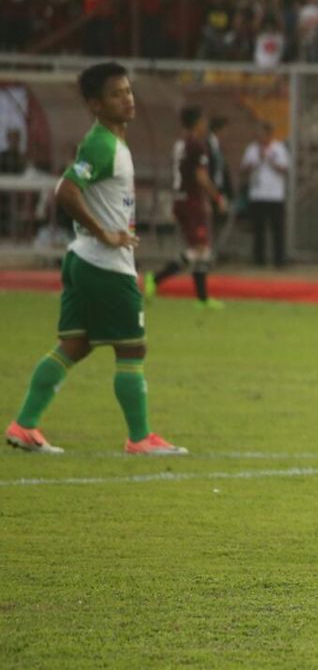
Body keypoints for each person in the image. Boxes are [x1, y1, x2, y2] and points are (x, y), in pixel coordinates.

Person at [5, 62, 187, 455]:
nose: (127, 98)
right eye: (116, 94)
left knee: (74, 345)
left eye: (128, 90)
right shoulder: (102, 144)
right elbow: (66, 191)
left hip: (83, 258)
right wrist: (104, 231)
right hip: (104, 263)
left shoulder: (111, 143)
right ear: (95, 104)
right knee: (132, 348)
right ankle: (140, 438)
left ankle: (24, 425)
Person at [145, 106, 228, 308]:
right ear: (197, 122)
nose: (206, 124)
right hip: (192, 201)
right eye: (203, 120)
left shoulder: (180, 144)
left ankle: (202, 299)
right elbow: (201, 176)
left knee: (203, 249)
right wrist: (217, 198)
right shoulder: (197, 145)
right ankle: (155, 279)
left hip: (180, 199)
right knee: (198, 250)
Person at [241, 122, 290, 267]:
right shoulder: (252, 149)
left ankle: (279, 260)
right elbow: (244, 168)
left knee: (278, 229)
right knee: (258, 229)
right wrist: (256, 161)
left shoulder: (279, 148)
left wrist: (270, 160)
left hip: (275, 195)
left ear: (269, 134)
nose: (261, 136)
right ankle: (259, 259)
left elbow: (285, 168)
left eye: (263, 133)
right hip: (257, 194)